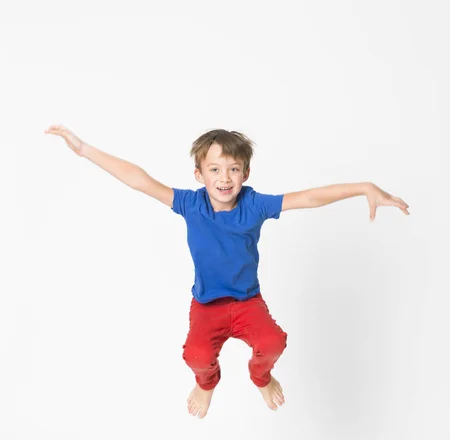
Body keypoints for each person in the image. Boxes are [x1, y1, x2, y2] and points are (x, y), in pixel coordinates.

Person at [45, 125, 410, 419]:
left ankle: (261, 377)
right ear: (199, 174)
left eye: (233, 169)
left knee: (273, 343)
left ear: (246, 173)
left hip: (248, 302)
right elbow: (140, 180)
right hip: (207, 306)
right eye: (214, 169)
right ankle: (206, 384)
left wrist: (364, 187)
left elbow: (309, 197)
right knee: (196, 355)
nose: (225, 178)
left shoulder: (254, 204)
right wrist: (85, 150)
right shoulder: (190, 203)